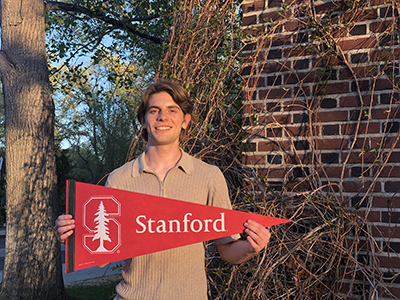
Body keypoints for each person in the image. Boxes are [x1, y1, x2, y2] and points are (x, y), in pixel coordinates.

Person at [55, 80, 271, 300]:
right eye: (154, 110)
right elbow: (101, 256)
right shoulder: (119, 179)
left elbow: (227, 250)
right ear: (143, 120)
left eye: (172, 110)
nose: (162, 117)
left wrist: (250, 247)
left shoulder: (209, 177)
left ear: (185, 120)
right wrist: (73, 236)